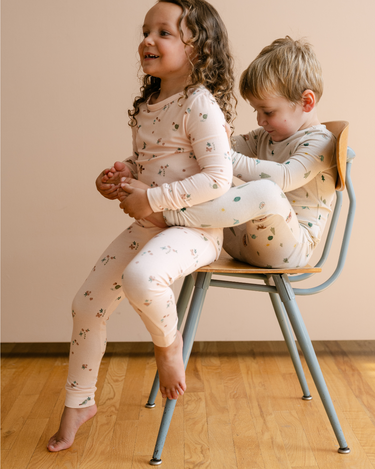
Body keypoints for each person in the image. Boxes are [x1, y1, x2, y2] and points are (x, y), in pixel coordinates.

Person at [47, 0, 236, 452]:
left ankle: (168, 347)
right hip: (152, 225)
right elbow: (153, 162)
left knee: (140, 278)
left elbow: (217, 178)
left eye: (164, 32)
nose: (148, 39)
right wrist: (120, 176)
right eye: (146, 30)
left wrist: (149, 198)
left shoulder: (200, 104)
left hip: (195, 230)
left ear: (199, 48)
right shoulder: (151, 103)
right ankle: (79, 401)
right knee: (85, 304)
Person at [118, 36, 337, 271]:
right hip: (238, 239)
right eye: (256, 110)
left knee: (267, 191)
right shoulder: (266, 135)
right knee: (213, 177)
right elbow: (219, 151)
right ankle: (157, 201)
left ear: (306, 101)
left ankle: (166, 214)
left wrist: (226, 157)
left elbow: (285, 177)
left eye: (268, 111)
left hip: (289, 248)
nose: (260, 120)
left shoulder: (321, 143)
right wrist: (211, 139)